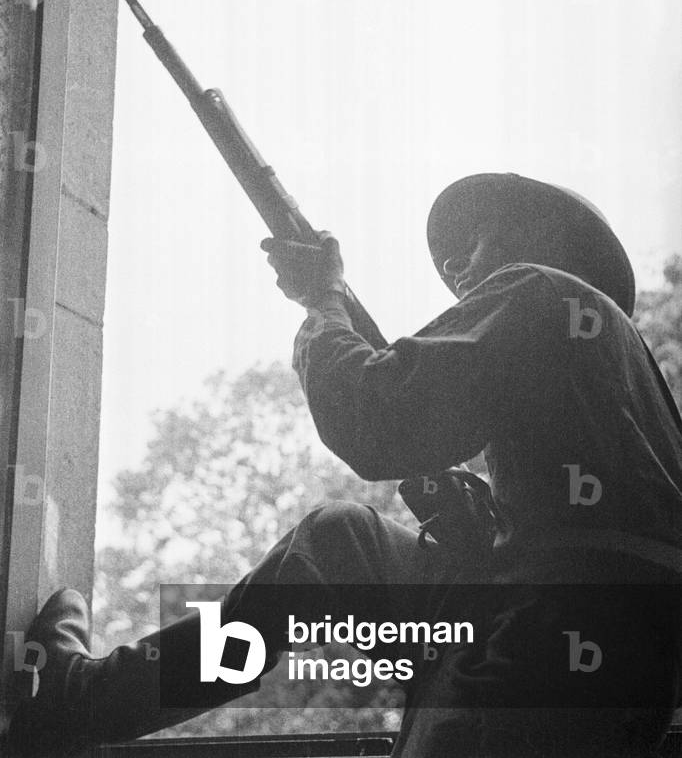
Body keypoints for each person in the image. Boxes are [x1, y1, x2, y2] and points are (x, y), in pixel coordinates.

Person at [8, 173, 682, 757]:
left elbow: (377, 421)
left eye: (471, 248)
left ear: (540, 236)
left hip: (546, 638)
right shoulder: (619, 373)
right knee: (340, 541)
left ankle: (82, 699)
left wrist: (324, 302)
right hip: (618, 661)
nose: (459, 274)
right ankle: (91, 696)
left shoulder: (536, 286)